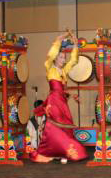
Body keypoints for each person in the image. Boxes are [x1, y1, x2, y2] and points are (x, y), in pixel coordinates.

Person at [31, 29, 87, 163]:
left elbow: (73, 61)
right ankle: (51, 152)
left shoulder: (64, 71)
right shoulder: (50, 69)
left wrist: (75, 45)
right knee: (56, 126)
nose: (63, 60)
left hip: (62, 101)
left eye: (64, 58)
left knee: (65, 124)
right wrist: (59, 39)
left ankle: (62, 152)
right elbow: (50, 55)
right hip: (53, 101)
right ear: (56, 58)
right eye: (61, 57)